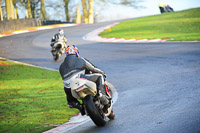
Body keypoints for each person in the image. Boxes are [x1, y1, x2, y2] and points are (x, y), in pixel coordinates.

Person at [59, 45, 108, 115]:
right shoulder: (81, 59)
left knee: (70, 101)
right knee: (99, 76)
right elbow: (93, 68)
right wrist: (103, 73)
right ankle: (102, 94)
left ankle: (80, 107)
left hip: (68, 87)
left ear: (66, 54)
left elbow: (64, 78)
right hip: (79, 79)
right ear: (76, 52)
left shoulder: (61, 66)